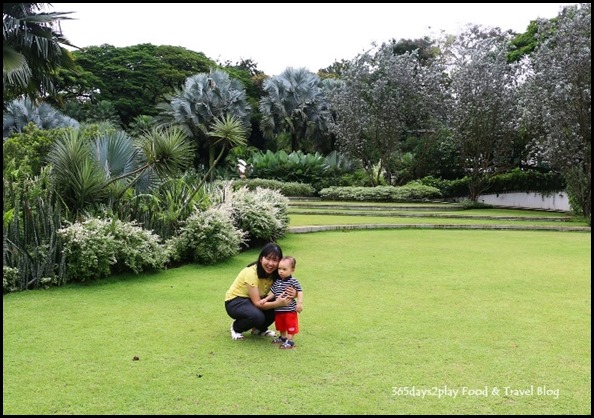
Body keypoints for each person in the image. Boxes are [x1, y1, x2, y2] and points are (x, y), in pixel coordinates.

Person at [224, 243, 296, 341]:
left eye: (275, 260)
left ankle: (259, 329)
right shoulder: (251, 273)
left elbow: (285, 289)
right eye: (268, 258)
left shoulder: (278, 273)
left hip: (253, 300)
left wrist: (293, 294)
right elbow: (257, 303)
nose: (270, 263)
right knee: (257, 316)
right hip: (235, 301)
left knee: (278, 303)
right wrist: (277, 303)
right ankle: (236, 328)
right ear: (261, 258)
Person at [260, 256, 303, 349]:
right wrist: (266, 299)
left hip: (290, 309)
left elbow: (299, 291)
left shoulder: (293, 281)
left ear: (292, 270)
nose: (281, 271)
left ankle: (290, 341)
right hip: (279, 309)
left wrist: (299, 303)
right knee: (281, 325)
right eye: (279, 269)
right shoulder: (277, 281)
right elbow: (273, 293)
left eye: (284, 269)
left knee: (290, 325)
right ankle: (283, 338)